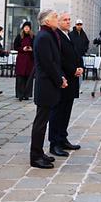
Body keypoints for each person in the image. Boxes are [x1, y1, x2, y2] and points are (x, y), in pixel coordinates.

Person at [30, 9, 68, 169]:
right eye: (54, 16)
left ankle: (40, 152)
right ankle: (35, 156)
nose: (57, 18)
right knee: (40, 122)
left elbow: (55, 61)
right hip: (45, 84)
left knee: (43, 121)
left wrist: (61, 77)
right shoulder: (43, 36)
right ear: (46, 21)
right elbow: (48, 63)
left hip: (50, 83)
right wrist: (59, 79)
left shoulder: (49, 34)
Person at [49, 12, 83, 157]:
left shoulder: (70, 34)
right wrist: (72, 69)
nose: (68, 22)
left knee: (66, 111)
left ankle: (63, 138)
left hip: (73, 79)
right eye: (65, 20)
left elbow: (76, 53)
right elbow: (59, 59)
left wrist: (80, 67)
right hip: (63, 79)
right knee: (57, 112)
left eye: (70, 19)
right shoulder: (57, 36)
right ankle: (54, 143)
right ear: (58, 22)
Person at [13, 21, 34, 100]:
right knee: (20, 77)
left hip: (29, 59)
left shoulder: (33, 37)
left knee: (28, 77)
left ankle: (27, 94)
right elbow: (15, 47)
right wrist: (22, 49)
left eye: (28, 27)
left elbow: (35, 46)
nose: (26, 28)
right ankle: (20, 94)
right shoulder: (19, 36)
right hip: (21, 59)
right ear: (23, 28)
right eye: (25, 27)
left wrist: (31, 49)